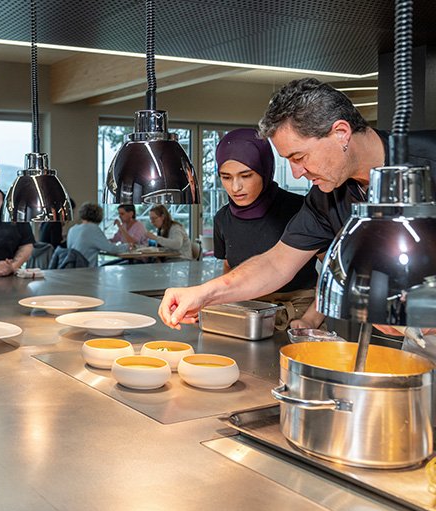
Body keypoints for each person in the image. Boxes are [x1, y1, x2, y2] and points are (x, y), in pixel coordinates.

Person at [158, 77, 436, 330]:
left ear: (341, 133)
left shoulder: (429, 163)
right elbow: (277, 264)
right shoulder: (327, 195)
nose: (296, 173)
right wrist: (204, 293)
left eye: (299, 157)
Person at [213, 128, 320, 329]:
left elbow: (331, 272)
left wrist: (311, 319)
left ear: (265, 169)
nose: (235, 187)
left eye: (246, 175)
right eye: (226, 177)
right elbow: (228, 270)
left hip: (301, 315)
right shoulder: (222, 219)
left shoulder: (300, 209)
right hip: (248, 314)